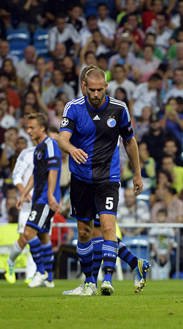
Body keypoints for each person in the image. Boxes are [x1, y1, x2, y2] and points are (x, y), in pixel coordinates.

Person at [58, 66, 145, 296]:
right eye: (92, 90)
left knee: (107, 227)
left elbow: (129, 141)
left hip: (108, 177)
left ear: (106, 87)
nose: (96, 94)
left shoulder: (119, 109)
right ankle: (89, 283)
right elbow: (62, 139)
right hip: (80, 179)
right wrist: (72, 149)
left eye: (100, 90)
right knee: (85, 232)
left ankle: (107, 279)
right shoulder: (74, 108)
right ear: (84, 87)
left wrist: (137, 173)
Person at [15, 113, 61, 288]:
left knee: (28, 233)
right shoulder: (38, 149)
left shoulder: (51, 145)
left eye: (32, 127)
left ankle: (40, 272)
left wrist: (50, 195)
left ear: (42, 128)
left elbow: (53, 171)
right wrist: (23, 193)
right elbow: (36, 174)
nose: (28, 131)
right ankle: (49, 279)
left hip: (44, 199)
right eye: (27, 127)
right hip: (38, 198)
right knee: (43, 236)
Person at [4, 143, 37, 284]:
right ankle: (10, 261)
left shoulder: (53, 153)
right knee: (25, 238)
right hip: (27, 204)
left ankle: (32, 274)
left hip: (44, 203)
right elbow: (16, 176)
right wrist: (25, 193)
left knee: (39, 238)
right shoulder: (27, 153)